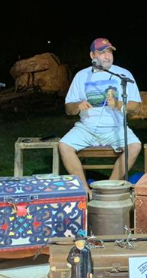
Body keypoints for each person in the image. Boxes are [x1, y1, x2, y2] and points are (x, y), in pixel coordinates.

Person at [59, 38, 141, 198]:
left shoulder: (123, 75)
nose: (107, 56)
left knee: (135, 146)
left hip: (115, 128)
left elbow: (136, 105)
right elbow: (68, 109)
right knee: (64, 145)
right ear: (92, 55)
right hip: (87, 128)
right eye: (102, 52)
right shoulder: (81, 76)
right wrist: (77, 105)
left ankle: (108, 190)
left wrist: (118, 104)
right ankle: (85, 191)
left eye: (109, 52)